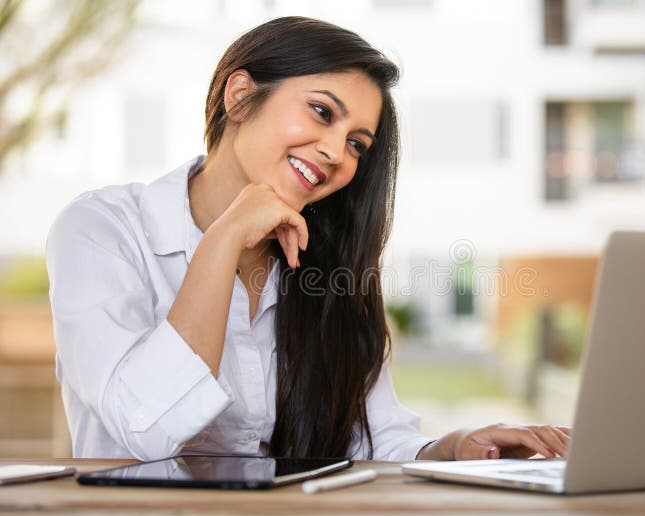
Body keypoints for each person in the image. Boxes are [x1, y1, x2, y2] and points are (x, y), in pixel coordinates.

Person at [46, 16, 571, 462]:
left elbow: (375, 440)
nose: (336, 153)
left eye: (357, 144)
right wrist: (226, 237)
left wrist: (455, 448)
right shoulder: (102, 230)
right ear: (240, 95)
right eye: (322, 112)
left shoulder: (329, 261)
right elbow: (148, 427)